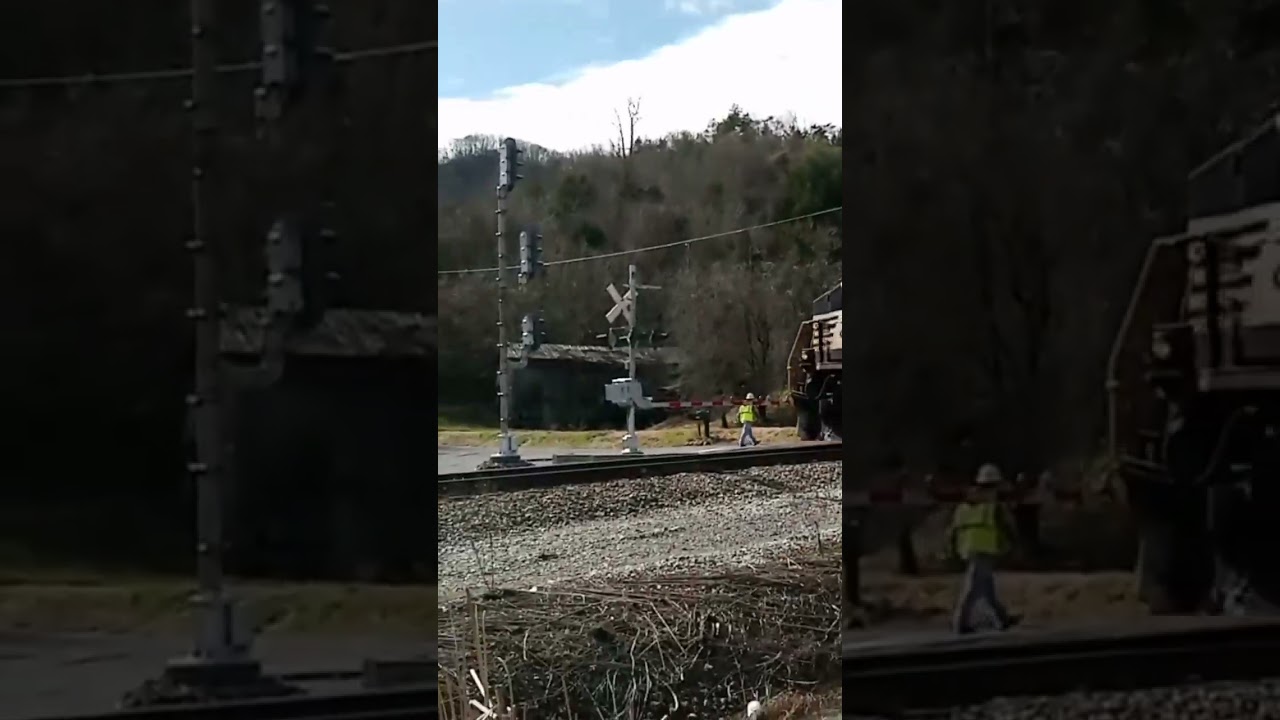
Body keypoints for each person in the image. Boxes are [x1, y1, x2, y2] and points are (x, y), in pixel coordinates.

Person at [949, 463, 1020, 634]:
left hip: (968, 549)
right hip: (984, 550)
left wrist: (952, 551)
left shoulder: (964, 505)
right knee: (972, 588)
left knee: (987, 588)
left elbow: (953, 530)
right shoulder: (993, 506)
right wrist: (1013, 545)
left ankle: (1001, 619)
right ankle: (960, 623)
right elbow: (1007, 527)